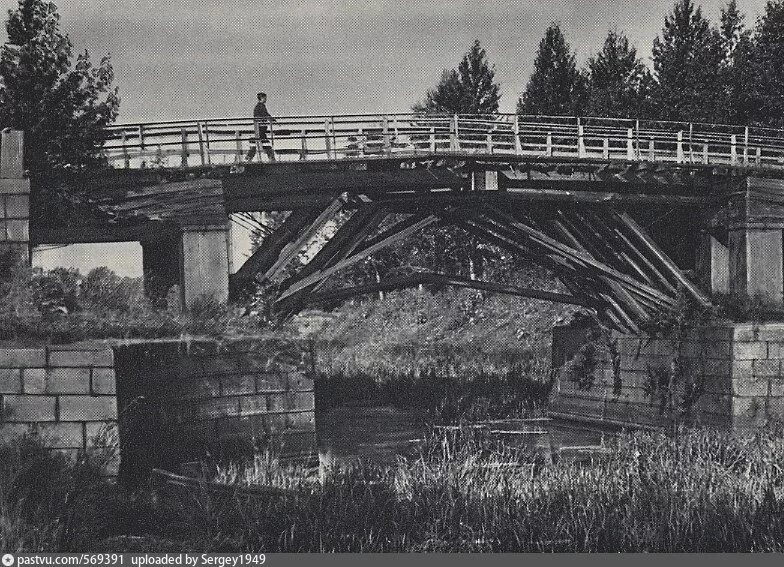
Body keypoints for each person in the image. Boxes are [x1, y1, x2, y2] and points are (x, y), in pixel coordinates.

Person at [247, 92, 276, 162]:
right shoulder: (260, 106)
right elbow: (264, 114)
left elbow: (265, 114)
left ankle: (249, 157)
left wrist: (271, 118)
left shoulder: (259, 106)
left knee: (261, 143)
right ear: (262, 98)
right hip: (260, 128)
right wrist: (270, 119)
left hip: (260, 128)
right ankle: (271, 158)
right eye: (265, 98)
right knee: (264, 143)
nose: (266, 99)